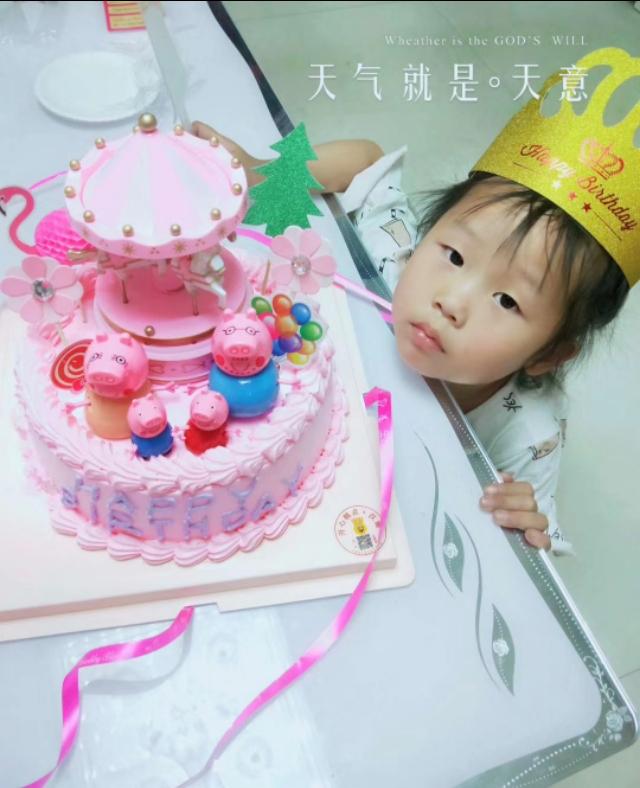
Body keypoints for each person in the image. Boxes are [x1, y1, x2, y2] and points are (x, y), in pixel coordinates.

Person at [190, 47, 635, 556]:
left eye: (507, 300)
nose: (451, 301)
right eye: (456, 255)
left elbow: (542, 537)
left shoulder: (527, 429)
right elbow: (365, 159)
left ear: (550, 354)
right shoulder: (395, 259)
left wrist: (526, 522)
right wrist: (261, 175)